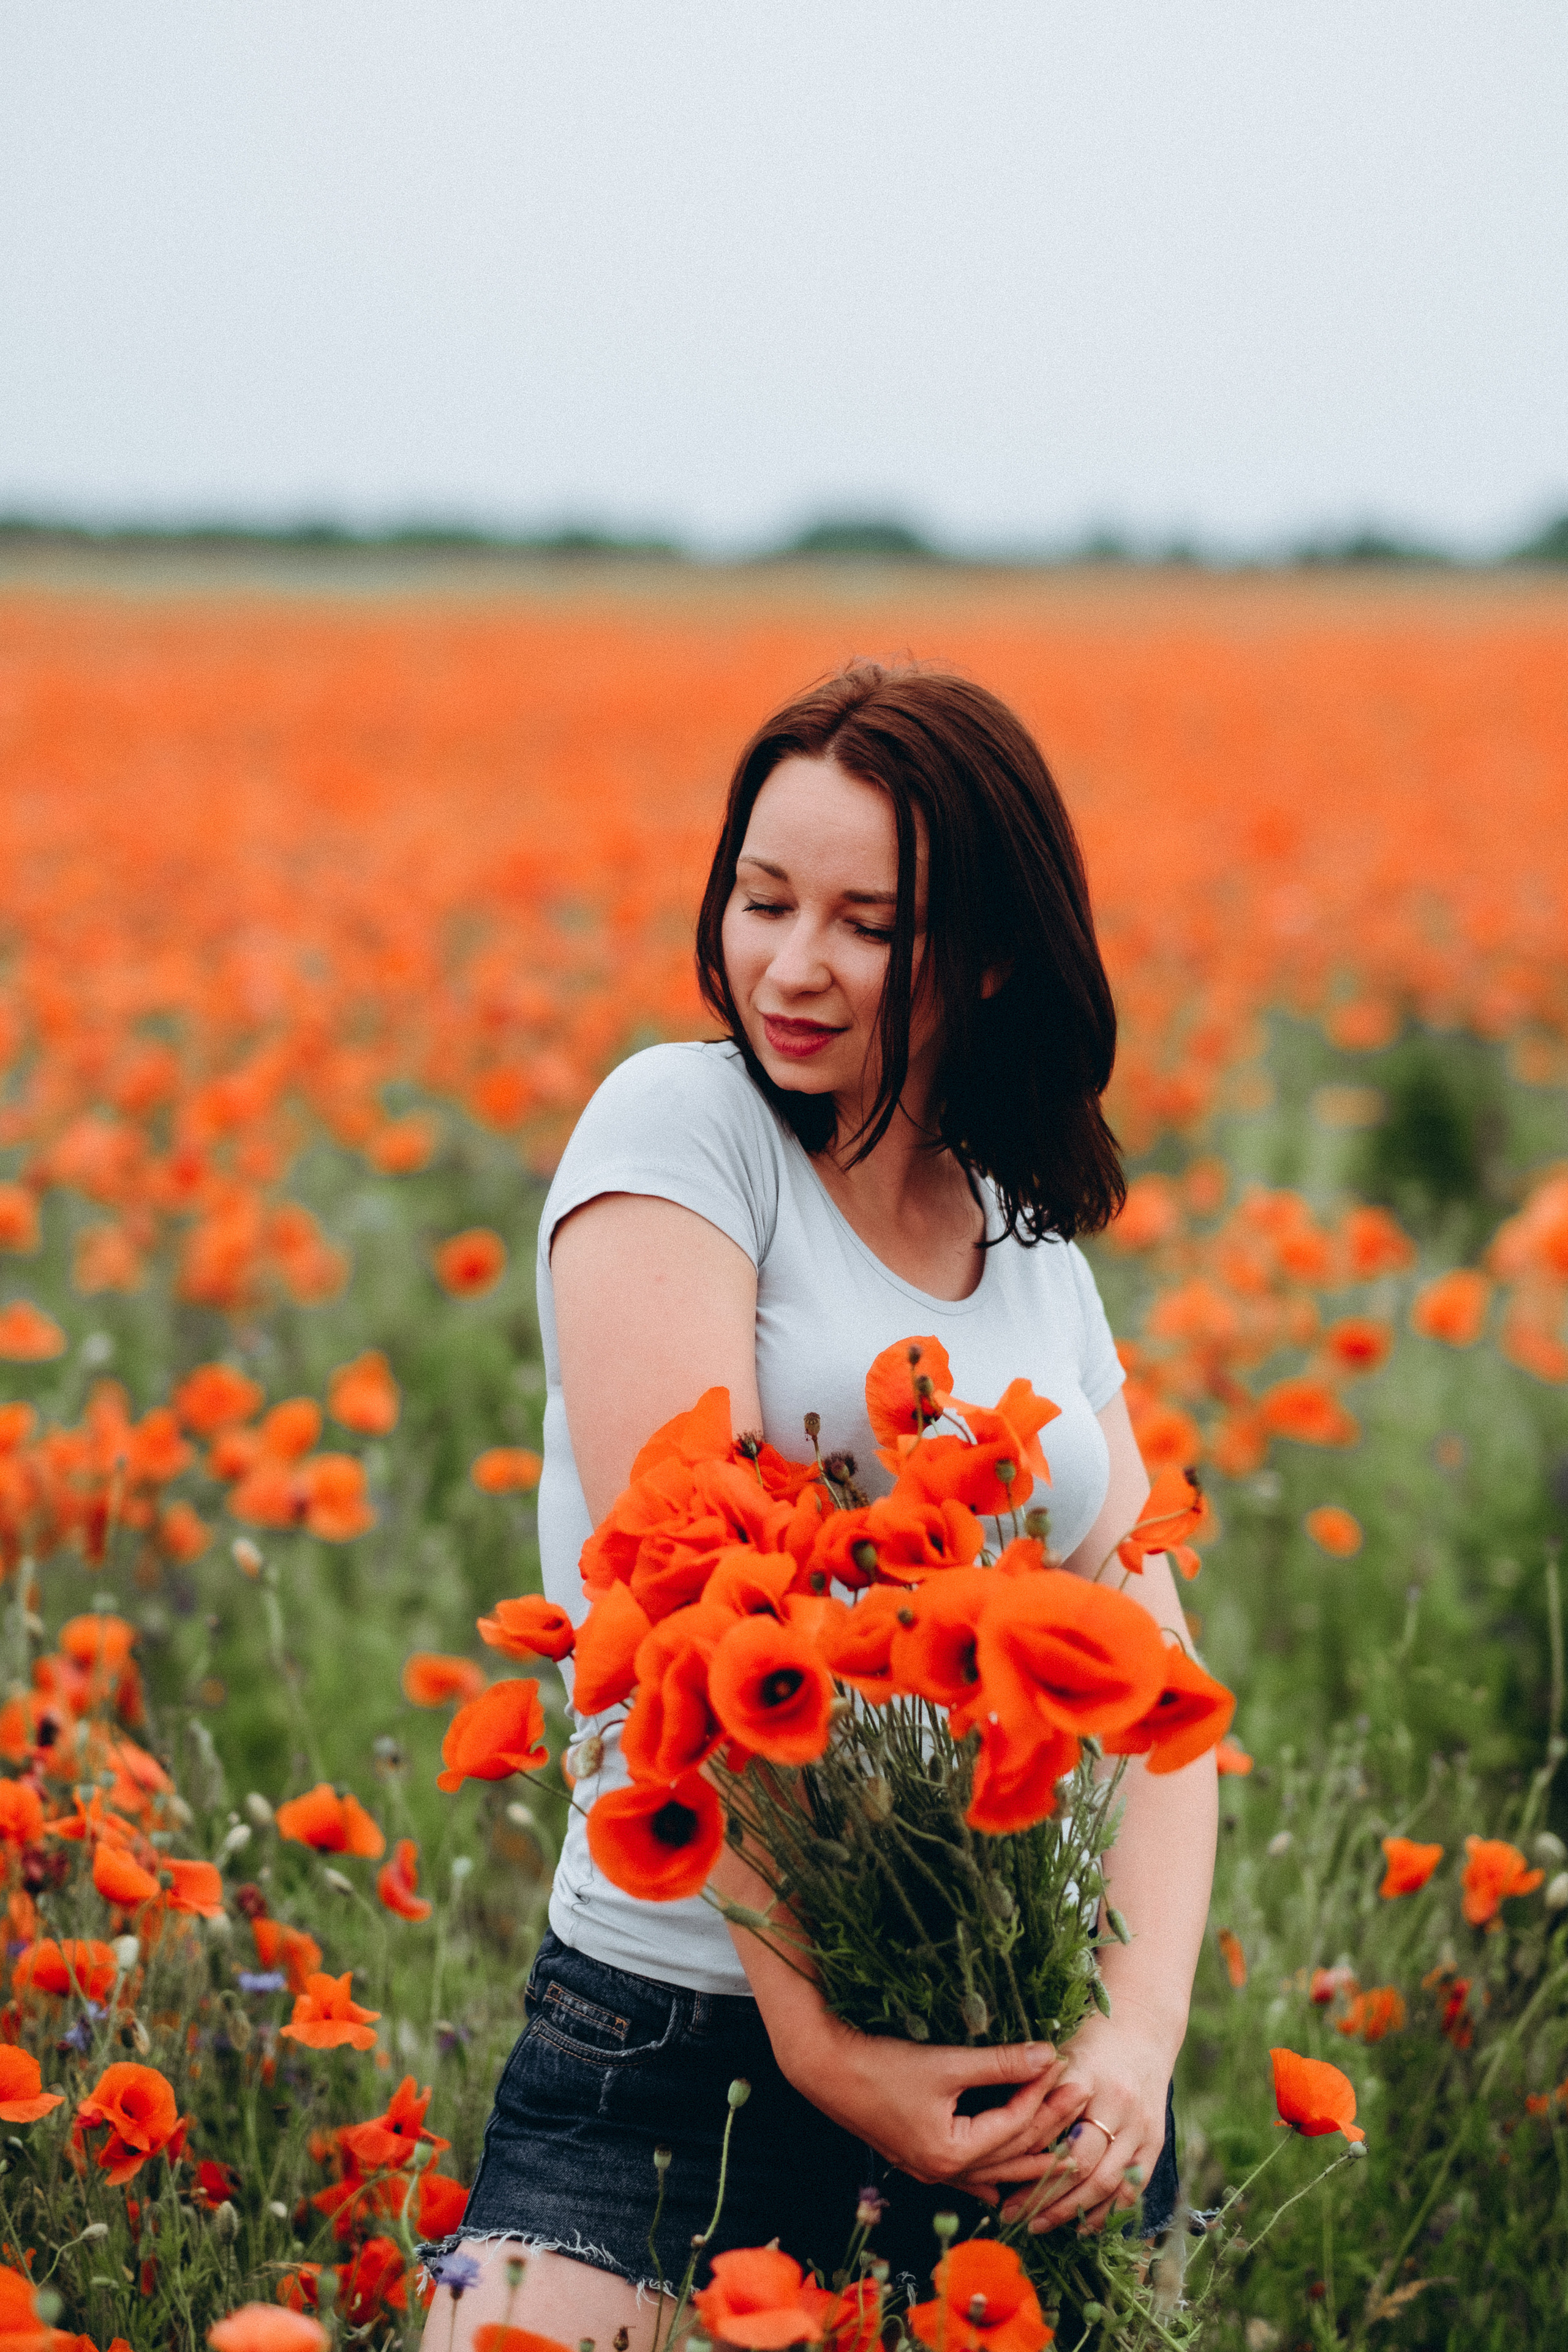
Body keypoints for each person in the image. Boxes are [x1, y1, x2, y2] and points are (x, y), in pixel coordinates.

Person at [421, 665, 1217, 2350]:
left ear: (986, 956)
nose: (793, 963)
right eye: (763, 900)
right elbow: (695, 1604)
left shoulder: (1029, 1239)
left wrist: (1133, 2045)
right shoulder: (683, 1128)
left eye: (869, 923)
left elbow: (1164, 1696)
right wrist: (817, 2043)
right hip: (682, 2040)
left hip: (1011, 2066)